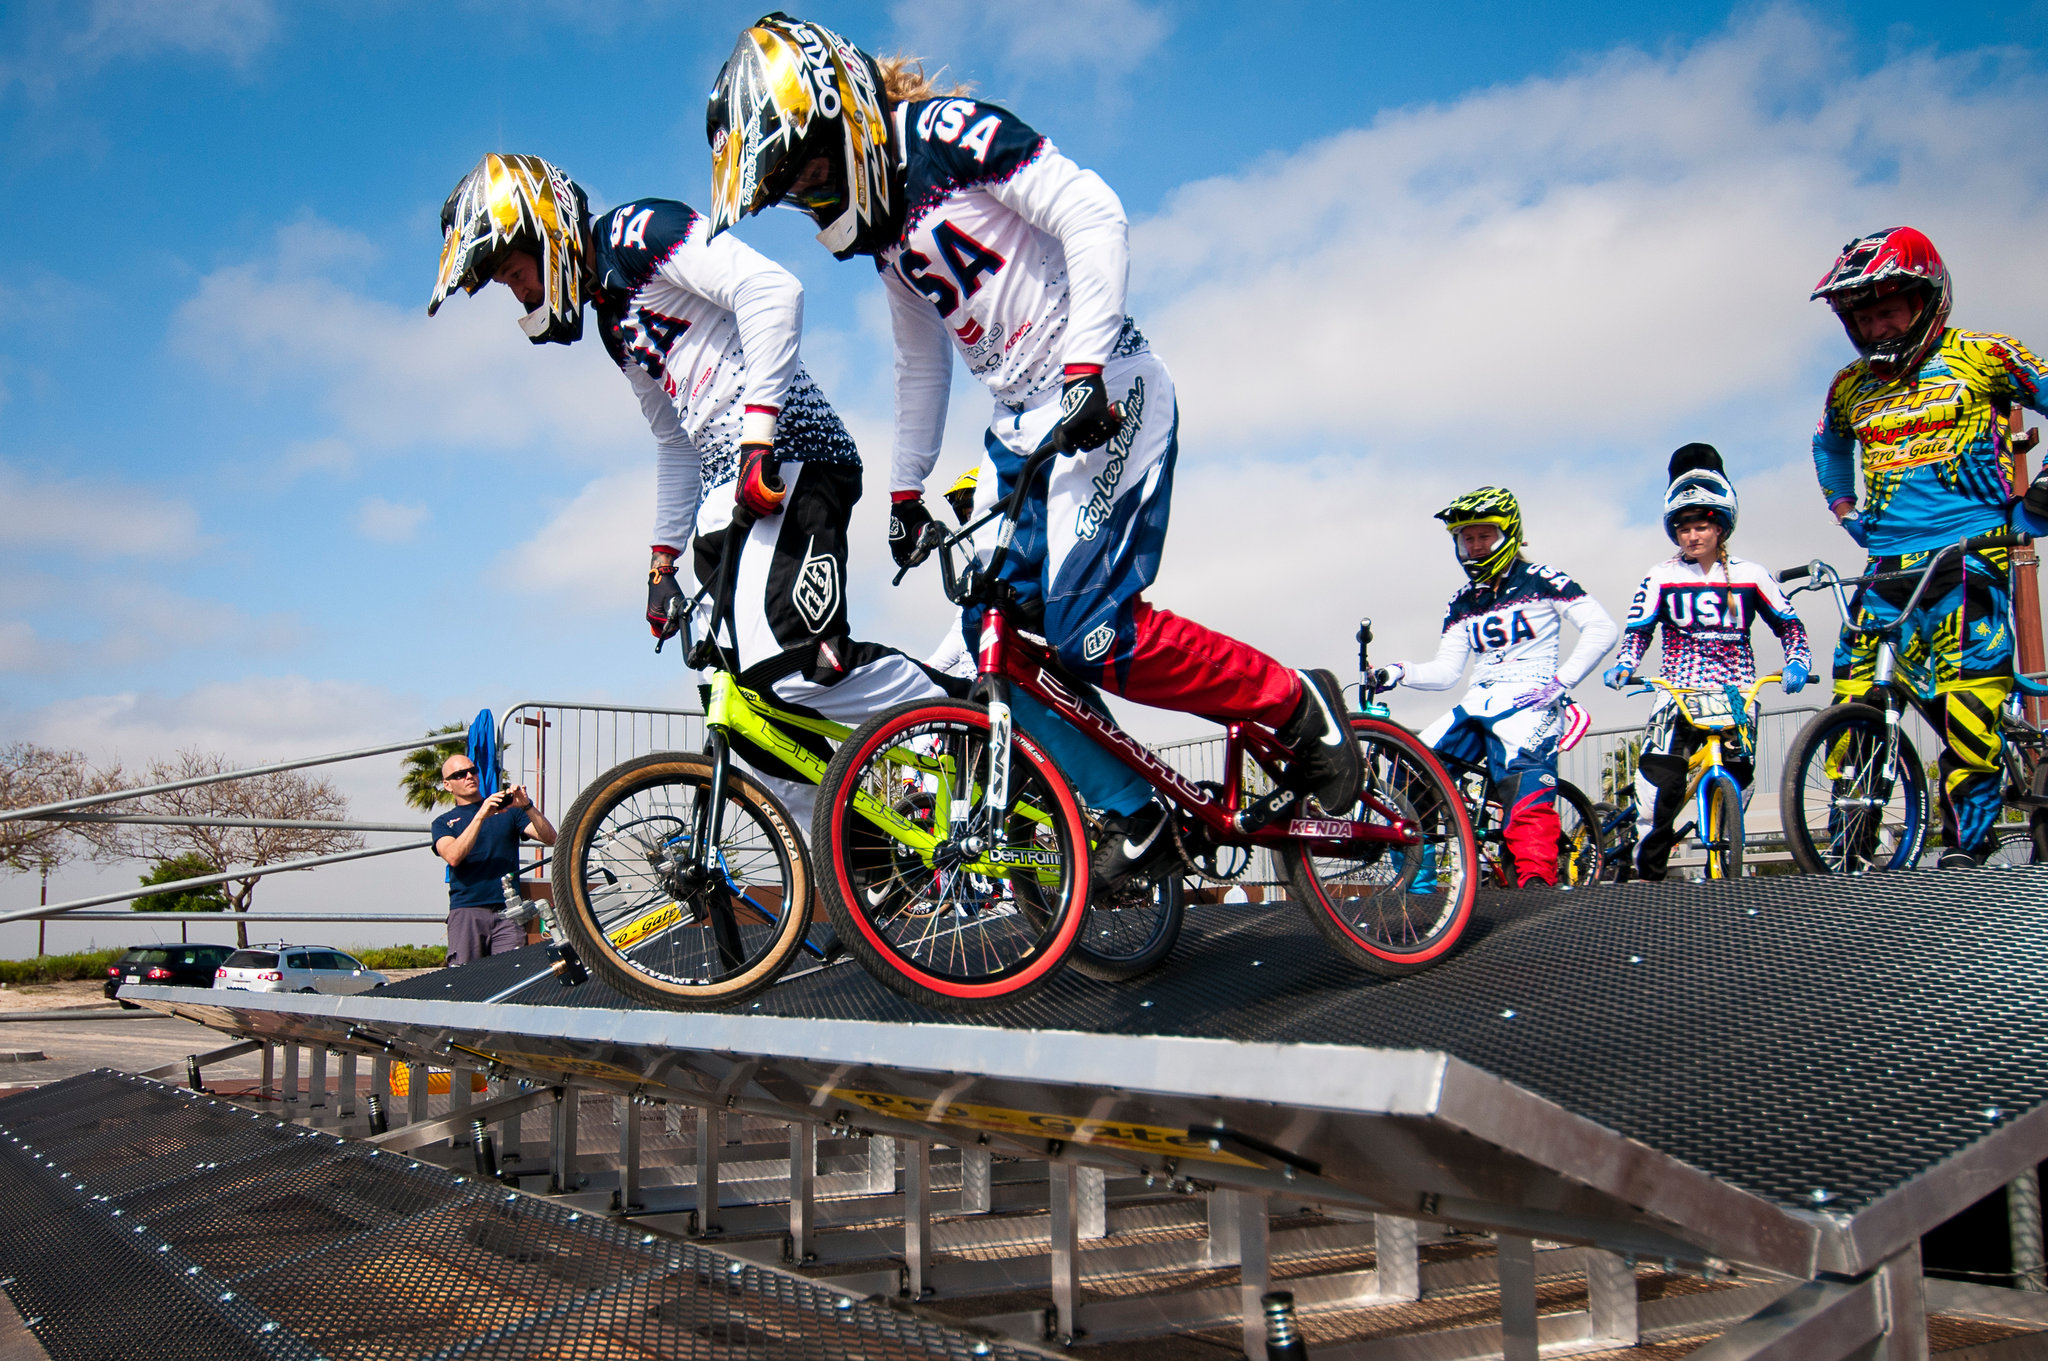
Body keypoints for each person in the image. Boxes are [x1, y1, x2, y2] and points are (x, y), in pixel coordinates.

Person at [704, 15, 1359, 888]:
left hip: (1109, 387)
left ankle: (1293, 699)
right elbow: (919, 364)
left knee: (1089, 633)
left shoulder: (944, 136)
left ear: (845, 110)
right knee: (992, 640)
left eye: (810, 165)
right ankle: (1136, 812)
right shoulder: (889, 236)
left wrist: (1085, 363)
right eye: (791, 186)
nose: (810, 191)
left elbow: (1093, 213)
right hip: (1024, 430)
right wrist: (905, 493)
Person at [427, 154, 954, 825]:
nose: (520, 292)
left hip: (795, 455)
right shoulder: (615, 323)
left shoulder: (638, 233)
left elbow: (772, 291)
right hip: (726, 493)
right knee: (736, 706)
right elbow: (674, 442)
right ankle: (851, 851)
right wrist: (661, 562)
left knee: (787, 659)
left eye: (513, 272)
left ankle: (959, 719)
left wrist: (758, 436)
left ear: (545, 231)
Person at [1809, 226, 2048, 867]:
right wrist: (1844, 509)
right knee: (1856, 695)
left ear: (1925, 301)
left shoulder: (1985, 355)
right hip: (1887, 560)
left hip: (1973, 552)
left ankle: (1969, 850)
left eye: (1888, 309)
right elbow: (1829, 445)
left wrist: (2045, 490)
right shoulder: (1847, 387)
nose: (1878, 327)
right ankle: (1848, 842)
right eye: (1863, 316)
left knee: (1970, 705)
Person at [1371, 488, 1617, 887]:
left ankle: (1536, 887)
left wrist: (1562, 681)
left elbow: (1601, 627)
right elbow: (1448, 671)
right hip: (1477, 699)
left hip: (1531, 697)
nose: (1475, 546)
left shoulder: (1543, 578)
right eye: (1466, 539)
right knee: (1408, 774)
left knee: (1524, 796)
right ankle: (1417, 890)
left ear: (1508, 534)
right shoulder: (1462, 600)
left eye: (1484, 536)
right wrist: (1399, 672)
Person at [1602, 446, 1812, 881]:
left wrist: (1797, 661)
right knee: (1660, 783)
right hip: (1678, 689)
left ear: (1719, 527)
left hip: (1736, 690)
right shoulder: (1660, 575)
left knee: (1741, 776)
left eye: (1701, 526)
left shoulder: (1753, 574)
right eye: (1684, 529)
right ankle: (1648, 875)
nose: (1693, 536)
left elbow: (1790, 625)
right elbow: (1639, 631)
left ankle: (1722, 854)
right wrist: (1625, 664)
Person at [429, 754, 556, 965]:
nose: (469, 776)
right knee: (464, 981)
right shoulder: (443, 823)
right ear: (447, 785)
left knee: (510, 976)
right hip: (467, 911)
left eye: (473, 771)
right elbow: (453, 856)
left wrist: (527, 806)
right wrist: (480, 816)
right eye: (460, 774)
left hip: (509, 913)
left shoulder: (508, 812)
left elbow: (550, 838)